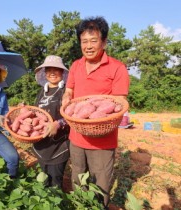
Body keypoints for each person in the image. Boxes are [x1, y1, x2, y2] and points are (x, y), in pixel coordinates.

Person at [62, 17, 130, 208]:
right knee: (78, 178)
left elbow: (119, 102)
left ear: (104, 42)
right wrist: (66, 99)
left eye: (94, 40)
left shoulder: (117, 67)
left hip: (103, 140)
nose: (88, 46)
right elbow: (69, 91)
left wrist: (99, 111)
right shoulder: (75, 65)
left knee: (100, 185)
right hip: (76, 135)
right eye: (84, 41)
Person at [32, 55, 70, 189]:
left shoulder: (66, 92)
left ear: (62, 73)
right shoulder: (42, 91)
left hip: (58, 145)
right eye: (49, 69)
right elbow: (36, 112)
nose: (52, 73)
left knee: (55, 182)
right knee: (43, 179)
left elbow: (72, 117)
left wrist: (59, 123)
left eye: (57, 69)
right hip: (41, 143)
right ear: (45, 72)